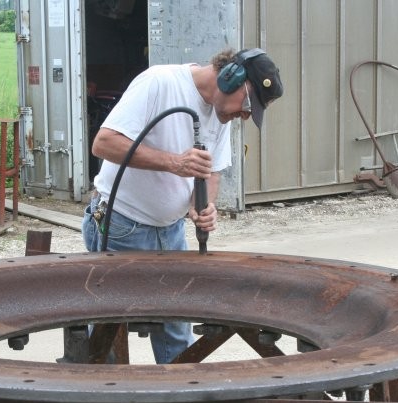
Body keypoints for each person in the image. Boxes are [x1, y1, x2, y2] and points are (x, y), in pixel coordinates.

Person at [82, 48, 283, 364]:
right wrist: (173, 162)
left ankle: (176, 402)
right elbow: (104, 143)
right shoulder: (159, 83)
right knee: (109, 333)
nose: (243, 116)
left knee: (177, 330)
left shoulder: (222, 112)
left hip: (171, 229)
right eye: (246, 107)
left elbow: (211, 170)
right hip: (122, 225)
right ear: (230, 79)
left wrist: (202, 206)